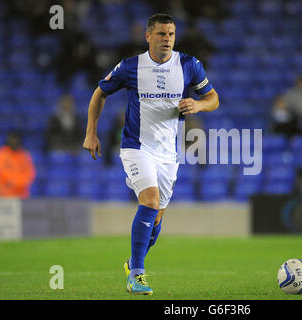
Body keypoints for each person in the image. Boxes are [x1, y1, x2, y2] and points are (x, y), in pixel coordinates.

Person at [82, 13, 219, 295]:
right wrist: (91, 132)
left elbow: (213, 99)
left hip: (168, 154)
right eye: (161, 34)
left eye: (170, 34)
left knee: (155, 221)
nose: (167, 39)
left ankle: (134, 260)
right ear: (148, 36)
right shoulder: (131, 67)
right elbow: (99, 93)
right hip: (136, 147)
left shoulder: (189, 65)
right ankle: (137, 274)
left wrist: (198, 106)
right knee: (150, 200)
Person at [0, 131, 36, 199]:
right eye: (12, 139)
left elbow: (29, 174)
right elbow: (2, 172)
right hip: (4, 194)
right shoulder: (0, 154)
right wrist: (14, 182)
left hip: (22, 194)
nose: (14, 142)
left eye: (16, 140)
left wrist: (17, 183)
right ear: (8, 140)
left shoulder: (24, 155)